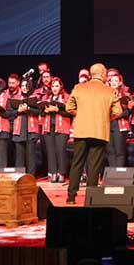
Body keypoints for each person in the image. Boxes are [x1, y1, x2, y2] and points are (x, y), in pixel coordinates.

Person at [65, 63, 124, 205]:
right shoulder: (109, 91)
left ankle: (71, 196)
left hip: (81, 130)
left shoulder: (79, 88)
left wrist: (82, 116)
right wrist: (104, 118)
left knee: (77, 163)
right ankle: (90, 197)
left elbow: (69, 107)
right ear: (103, 74)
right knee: (94, 165)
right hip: (99, 131)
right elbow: (118, 111)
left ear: (91, 75)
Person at [40, 78, 73, 184]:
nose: (55, 88)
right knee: (51, 151)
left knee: (61, 151)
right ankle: (53, 173)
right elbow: (41, 111)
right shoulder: (47, 97)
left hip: (62, 127)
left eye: (57, 86)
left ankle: (61, 173)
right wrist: (45, 110)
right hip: (48, 127)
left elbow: (70, 112)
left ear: (61, 87)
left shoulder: (66, 97)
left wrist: (58, 110)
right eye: (53, 86)